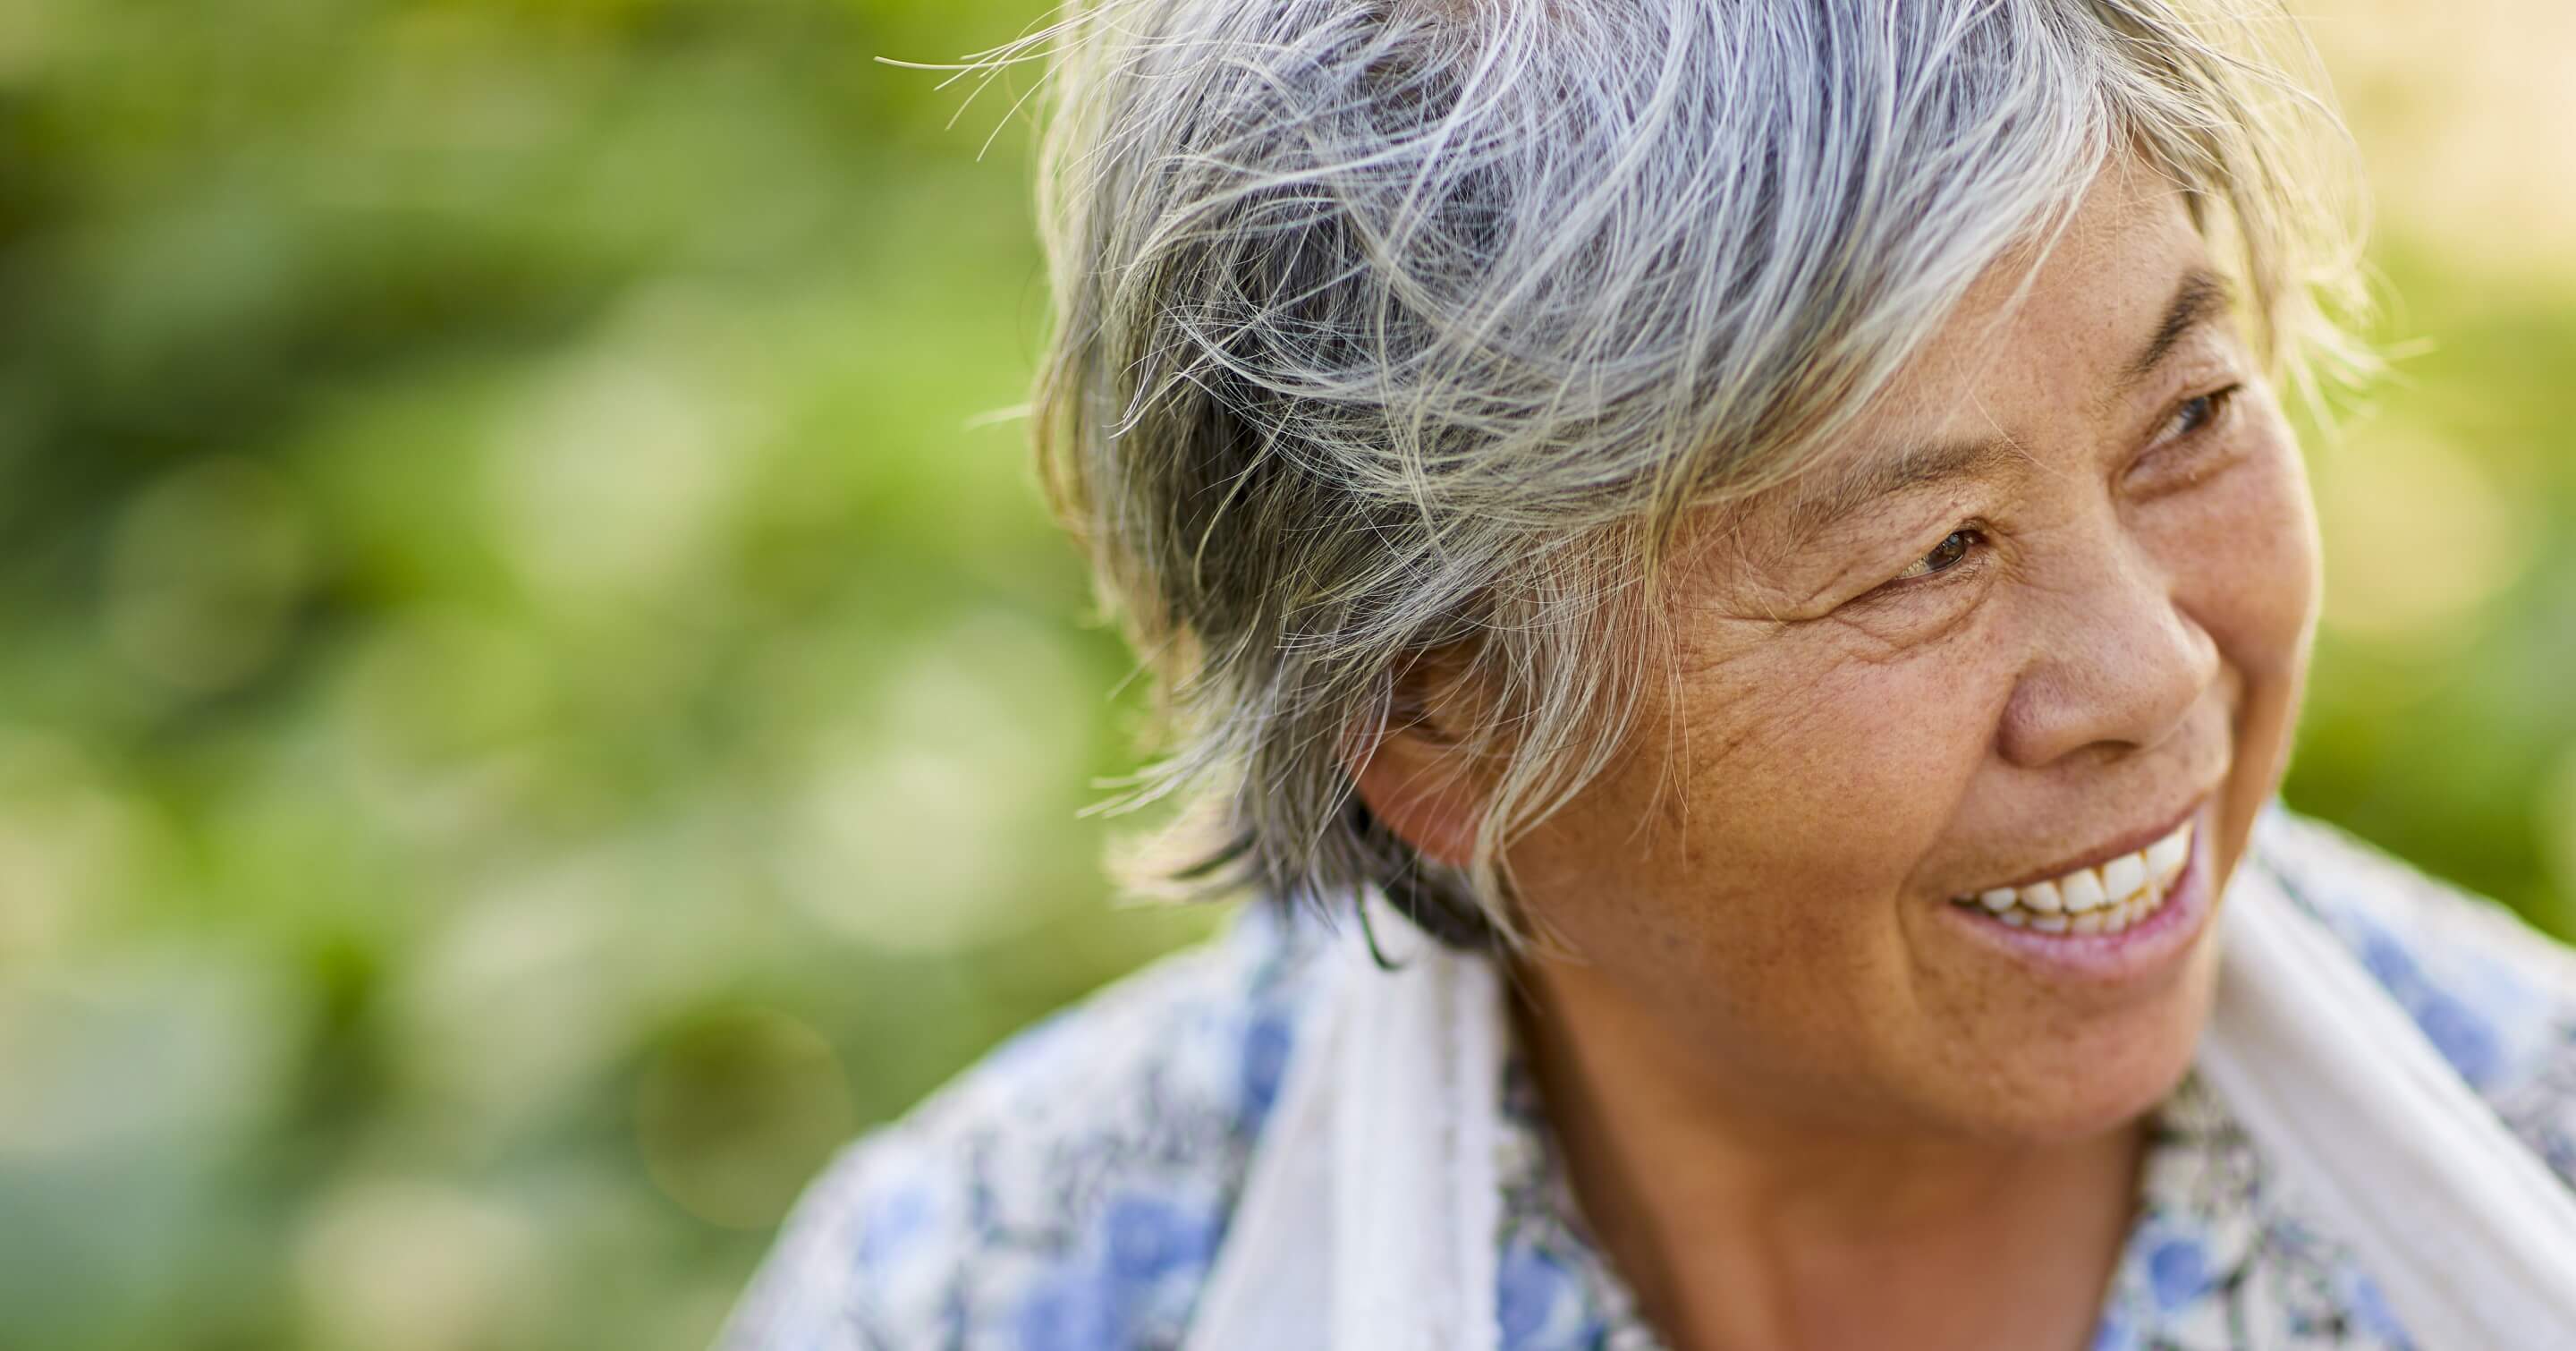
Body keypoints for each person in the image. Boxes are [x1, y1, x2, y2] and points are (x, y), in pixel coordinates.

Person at [724, 2, 2576, 1347]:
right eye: (1930, 554)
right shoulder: (1003, 1289)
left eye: (2187, 418)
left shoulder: (2536, 1159)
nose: (2156, 672)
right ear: (1438, 720)